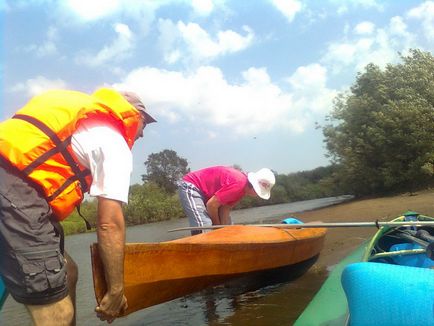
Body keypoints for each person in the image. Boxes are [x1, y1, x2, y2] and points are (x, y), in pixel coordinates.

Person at [0, 88, 156, 325]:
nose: (143, 134)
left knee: (67, 270)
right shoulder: (113, 141)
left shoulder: (75, 115)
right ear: (135, 116)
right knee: (58, 314)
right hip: (13, 189)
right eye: (144, 124)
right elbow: (109, 224)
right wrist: (115, 290)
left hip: (14, 185)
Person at [177, 166, 275, 235]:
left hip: (208, 195)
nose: (258, 195)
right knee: (205, 225)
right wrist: (217, 226)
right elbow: (211, 205)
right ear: (254, 187)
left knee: (228, 227)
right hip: (191, 185)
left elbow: (225, 208)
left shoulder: (242, 191)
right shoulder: (239, 184)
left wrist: (223, 228)